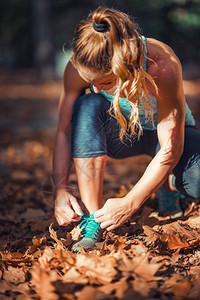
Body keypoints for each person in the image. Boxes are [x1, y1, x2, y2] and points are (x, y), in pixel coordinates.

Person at [53, 7, 200, 253]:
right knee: (88, 104)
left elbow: (170, 148)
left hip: (166, 137)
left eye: (107, 82)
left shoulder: (161, 64)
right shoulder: (78, 67)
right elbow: (63, 131)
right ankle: (94, 219)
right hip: (120, 132)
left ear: (127, 63)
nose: (97, 88)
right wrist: (59, 190)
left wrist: (131, 202)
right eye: (92, 82)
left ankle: (167, 185)